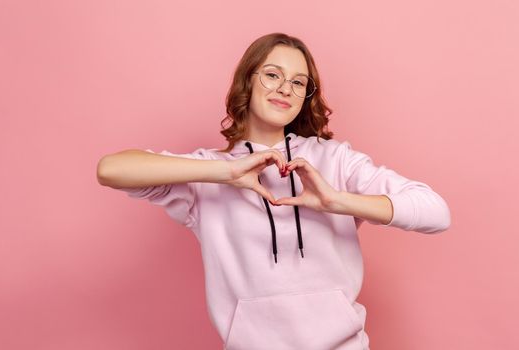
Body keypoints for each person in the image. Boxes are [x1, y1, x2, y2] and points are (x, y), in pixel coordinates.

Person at [96, 32, 451, 350]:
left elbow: (435, 212)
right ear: (246, 81)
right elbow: (111, 169)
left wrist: (335, 201)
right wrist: (226, 171)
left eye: (299, 82)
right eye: (272, 75)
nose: (285, 88)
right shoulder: (208, 174)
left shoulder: (336, 160)